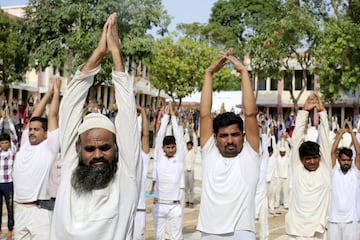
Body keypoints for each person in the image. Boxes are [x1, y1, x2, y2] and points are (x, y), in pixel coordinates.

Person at [51, 13, 142, 239]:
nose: (98, 154)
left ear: (117, 148)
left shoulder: (126, 178)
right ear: (78, 150)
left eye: (105, 147)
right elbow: (69, 107)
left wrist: (116, 56)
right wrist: (98, 54)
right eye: (90, 149)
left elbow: (129, 116)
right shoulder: (72, 170)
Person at [197, 50, 260, 239]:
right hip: (209, 232)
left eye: (234, 135)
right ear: (215, 138)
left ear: (243, 135)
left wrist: (243, 72)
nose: (230, 140)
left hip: (242, 232)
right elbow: (205, 115)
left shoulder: (251, 154)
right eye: (224, 136)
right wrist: (209, 74)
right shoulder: (209, 152)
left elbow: (250, 114)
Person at [13, 78, 61, 240]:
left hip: (39, 211)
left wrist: (56, 92)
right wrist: (47, 93)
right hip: (19, 209)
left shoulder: (50, 146)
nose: (31, 132)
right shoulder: (26, 143)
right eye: (30, 129)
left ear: (46, 133)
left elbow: (53, 115)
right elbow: (35, 115)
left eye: (36, 130)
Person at [285, 93, 331, 239]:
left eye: (315, 158)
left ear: (320, 157)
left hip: (319, 231)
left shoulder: (325, 168)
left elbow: (324, 138)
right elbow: (297, 137)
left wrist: (322, 112)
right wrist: (304, 111)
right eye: (308, 159)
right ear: (301, 159)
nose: (312, 162)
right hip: (296, 231)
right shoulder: (297, 167)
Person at [152, 101, 184, 240]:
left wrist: (173, 117)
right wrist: (165, 117)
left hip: (175, 205)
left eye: (172, 147)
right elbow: (159, 138)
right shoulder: (159, 158)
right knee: (159, 236)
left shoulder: (179, 158)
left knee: (176, 237)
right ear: (163, 148)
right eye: (168, 147)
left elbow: (178, 137)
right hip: (159, 204)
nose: (170, 149)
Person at [328, 120, 360, 240]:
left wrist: (352, 132)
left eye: (348, 160)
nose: (346, 162)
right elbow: (332, 151)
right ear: (339, 160)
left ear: (351, 161)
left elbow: (359, 153)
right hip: (333, 220)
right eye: (343, 160)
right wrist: (340, 133)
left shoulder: (355, 173)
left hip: (351, 221)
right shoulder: (334, 172)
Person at [0, 107, 18, 240]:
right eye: (2, 142)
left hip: (9, 184)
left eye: (6, 142)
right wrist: (1, 120)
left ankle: (10, 230)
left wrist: (8, 120)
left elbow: (13, 135)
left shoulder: (12, 151)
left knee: (10, 208)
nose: (4, 144)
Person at [133, 106, 151, 240]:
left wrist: (143, 112)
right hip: (124, 209)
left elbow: (145, 134)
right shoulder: (123, 156)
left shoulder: (143, 157)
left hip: (139, 209)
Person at [183, 123, 198, 208]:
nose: (189, 146)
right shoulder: (185, 151)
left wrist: (193, 133)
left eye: (190, 145)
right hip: (185, 171)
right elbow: (184, 140)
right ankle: (187, 201)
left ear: (191, 146)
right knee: (186, 188)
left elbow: (195, 142)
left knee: (191, 188)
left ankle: (191, 202)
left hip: (191, 171)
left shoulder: (194, 151)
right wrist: (187, 133)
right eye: (187, 145)